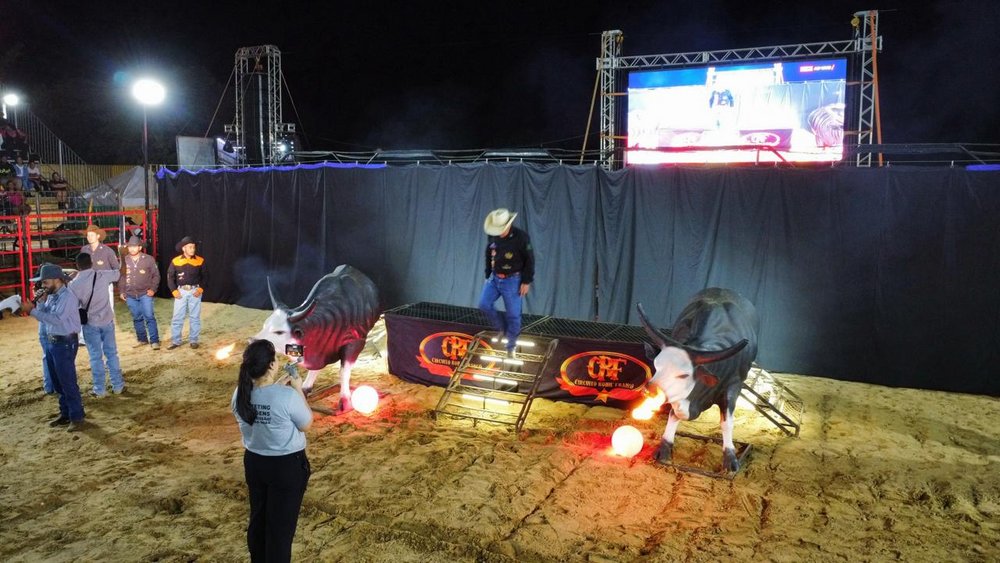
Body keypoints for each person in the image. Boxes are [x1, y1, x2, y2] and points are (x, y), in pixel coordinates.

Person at [231, 339, 312, 563]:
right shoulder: (286, 396)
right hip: (286, 467)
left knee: (259, 521)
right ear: (271, 365)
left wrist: (276, 387)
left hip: (255, 462)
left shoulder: (239, 393)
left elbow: (263, 399)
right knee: (280, 532)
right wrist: (298, 389)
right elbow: (306, 424)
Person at [20, 263, 86, 431]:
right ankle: (66, 413)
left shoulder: (67, 297)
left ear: (57, 280)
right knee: (58, 381)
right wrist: (41, 303)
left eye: (45, 282)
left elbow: (56, 319)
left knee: (67, 381)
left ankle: (77, 417)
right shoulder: (53, 295)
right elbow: (47, 316)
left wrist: (32, 311)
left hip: (64, 343)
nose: (43, 285)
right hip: (55, 342)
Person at [478, 208, 534, 358]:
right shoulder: (493, 236)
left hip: (513, 279)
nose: (498, 233)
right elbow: (489, 253)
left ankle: (511, 346)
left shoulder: (521, 237)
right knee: (484, 304)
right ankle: (502, 327)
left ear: (508, 225)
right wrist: (488, 274)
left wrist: (526, 281)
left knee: (514, 315)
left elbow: (530, 260)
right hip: (495, 277)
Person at [71, 252, 124, 397]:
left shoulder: (74, 284)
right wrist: (122, 255)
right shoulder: (102, 275)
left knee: (95, 357)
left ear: (77, 265)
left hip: (90, 323)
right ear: (91, 262)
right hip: (107, 320)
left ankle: (99, 389)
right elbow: (120, 272)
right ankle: (118, 385)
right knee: (112, 354)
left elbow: (73, 306)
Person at [166, 235, 207, 349]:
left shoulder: (200, 260)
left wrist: (200, 289)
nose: (192, 249)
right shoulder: (175, 261)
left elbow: (206, 277)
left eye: (193, 247)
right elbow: (170, 277)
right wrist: (174, 291)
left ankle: (194, 340)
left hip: (195, 291)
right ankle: (176, 341)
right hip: (181, 292)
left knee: (195, 317)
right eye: (190, 247)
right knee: (177, 317)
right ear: (184, 248)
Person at [120, 235, 161, 349]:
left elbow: (156, 276)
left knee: (149, 316)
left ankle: (154, 340)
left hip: (145, 293)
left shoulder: (148, 259)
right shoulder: (124, 260)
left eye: (134, 246)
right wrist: (122, 291)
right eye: (130, 246)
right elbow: (122, 277)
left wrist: (153, 289)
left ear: (140, 247)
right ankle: (142, 339)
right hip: (130, 294)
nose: (132, 249)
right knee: (137, 317)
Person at [80, 224, 120, 312]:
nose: (89, 237)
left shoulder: (108, 251)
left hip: (105, 286)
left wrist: (108, 280)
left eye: (92, 235)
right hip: (89, 285)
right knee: (91, 310)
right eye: (88, 235)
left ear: (98, 236)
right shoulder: (84, 250)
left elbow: (116, 268)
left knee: (108, 310)